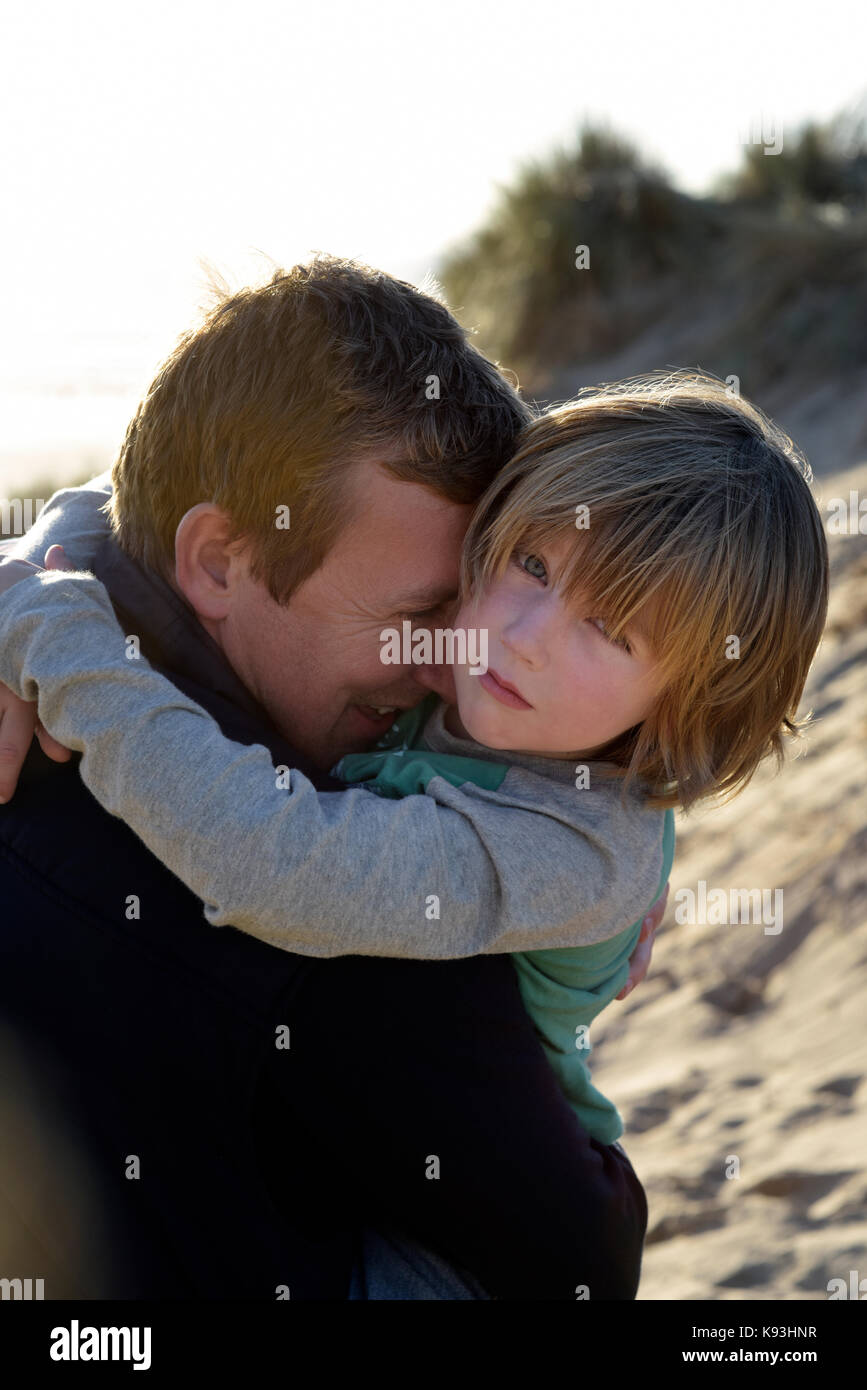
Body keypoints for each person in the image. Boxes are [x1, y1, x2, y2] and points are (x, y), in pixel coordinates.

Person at [0, 256, 662, 1300]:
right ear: (219, 560)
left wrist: (36, 573)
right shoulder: (337, 922)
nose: (458, 661)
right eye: (422, 612)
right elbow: (581, 1249)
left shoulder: (47, 662)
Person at [0, 373, 828, 1156]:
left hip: (466, 1208)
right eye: (531, 564)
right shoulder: (473, 672)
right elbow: (138, 503)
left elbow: (273, 865)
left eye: (610, 632)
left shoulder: (581, 851)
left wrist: (53, 634)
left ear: (689, 702)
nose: (524, 633)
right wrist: (32, 564)